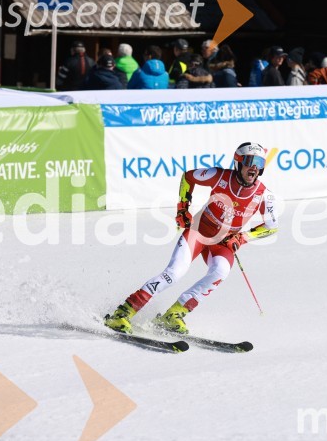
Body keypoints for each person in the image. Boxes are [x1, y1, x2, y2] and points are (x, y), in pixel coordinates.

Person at [104, 142, 279, 335]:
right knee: (174, 274)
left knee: (220, 271)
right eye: (249, 161)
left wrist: (242, 238)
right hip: (199, 231)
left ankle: (174, 314)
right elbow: (188, 177)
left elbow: (271, 227)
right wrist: (183, 207)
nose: (254, 167)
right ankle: (123, 312)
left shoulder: (265, 195)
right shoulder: (219, 176)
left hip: (223, 242)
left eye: (259, 163)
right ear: (238, 162)